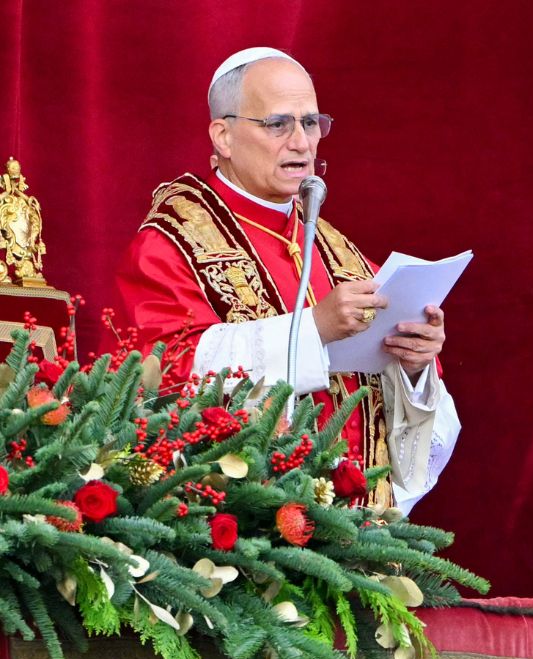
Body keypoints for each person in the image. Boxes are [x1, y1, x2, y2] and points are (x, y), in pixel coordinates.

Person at [116, 48, 459, 515]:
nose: (302, 142)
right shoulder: (171, 243)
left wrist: (414, 363)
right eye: (279, 124)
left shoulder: (336, 250)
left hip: (359, 532)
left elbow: (405, 410)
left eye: (311, 122)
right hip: (239, 537)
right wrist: (314, 329)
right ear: (224, 136)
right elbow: (166, 379)